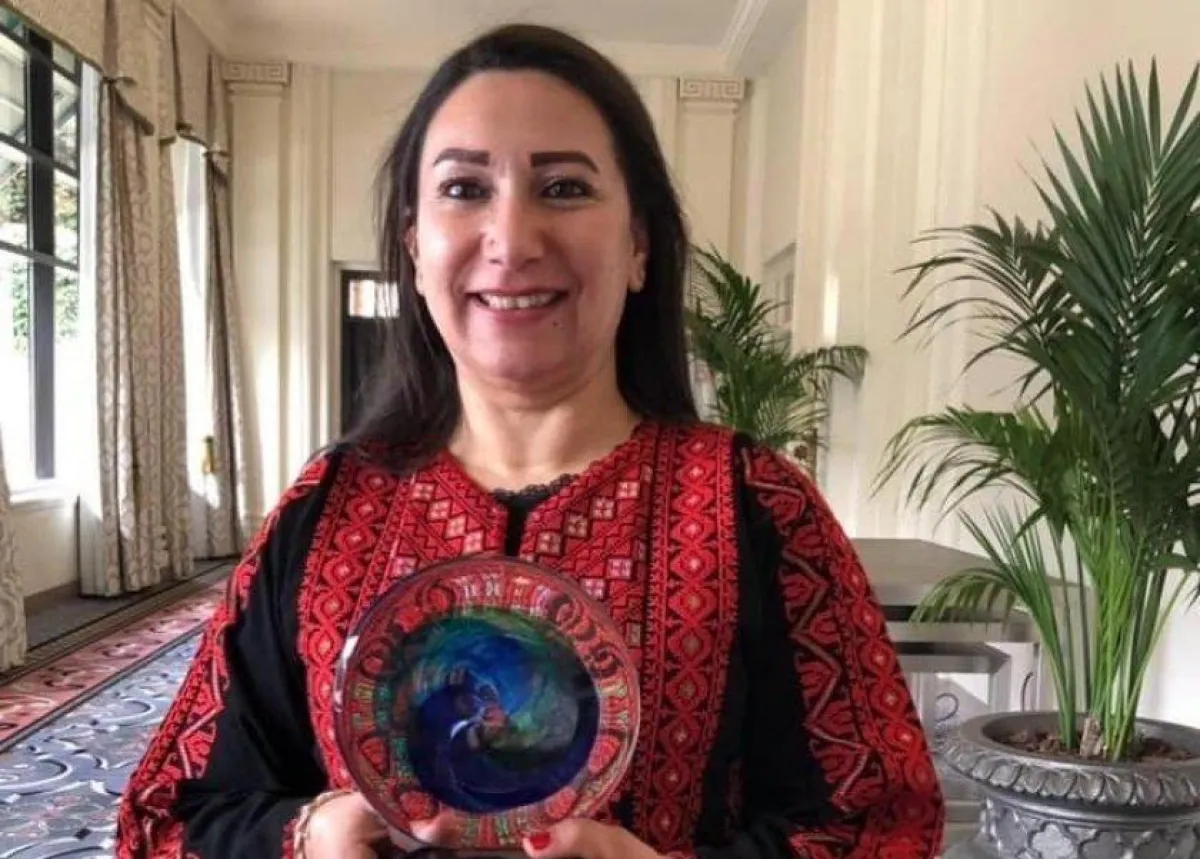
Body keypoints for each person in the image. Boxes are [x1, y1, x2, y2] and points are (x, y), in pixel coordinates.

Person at [114, 22, 944, 859]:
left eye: (564, 188)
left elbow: (884, 825)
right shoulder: (327, 508)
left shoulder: (752, 504)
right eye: (465, 188)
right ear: (414, 244)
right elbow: (166, 819)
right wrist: (307, 834)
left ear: (639, 245)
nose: (511, 240)